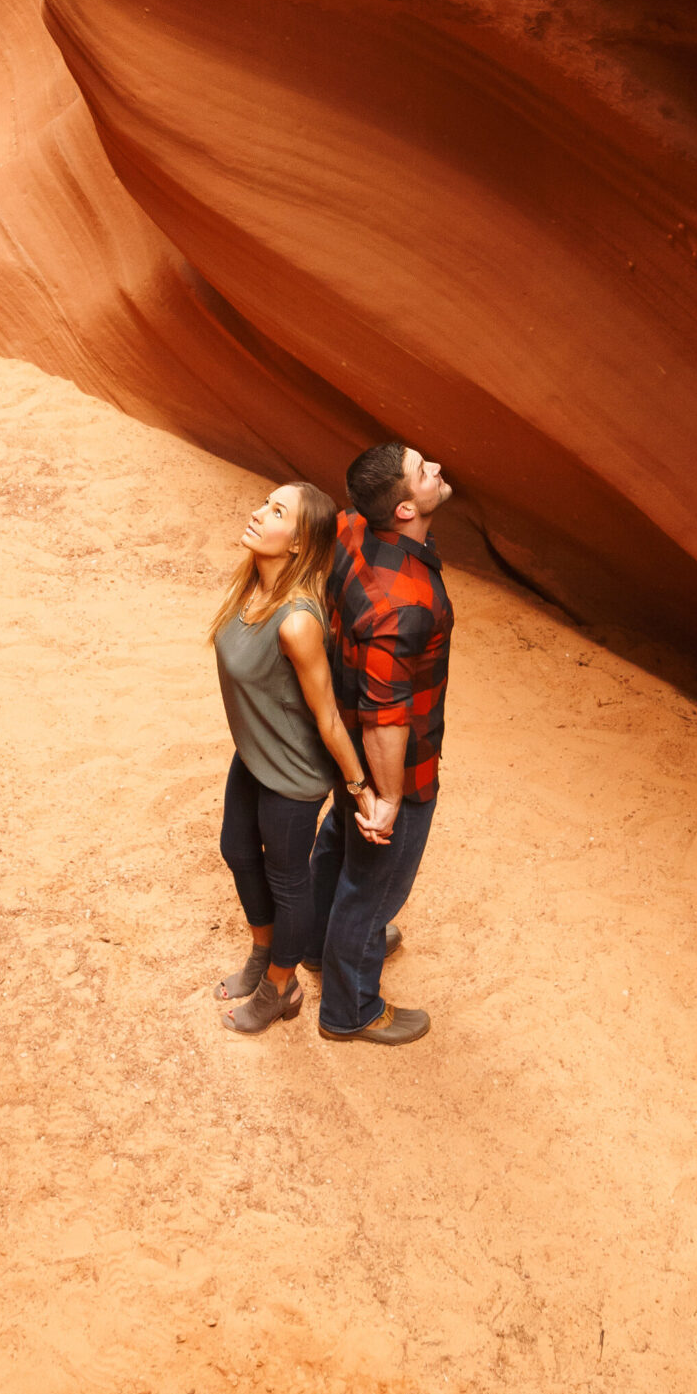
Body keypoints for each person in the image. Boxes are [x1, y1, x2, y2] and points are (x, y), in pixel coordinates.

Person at [210, 480, 385, 1034]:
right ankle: (264, 956)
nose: (258, 513)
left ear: (298, 543)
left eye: (277, 511)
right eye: (264, 501)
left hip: (292, 773)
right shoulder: (251, 586)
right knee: (237, 850)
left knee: (289, 882)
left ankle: (280, 988)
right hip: (257, 753)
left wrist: (361, 790)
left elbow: (329, 717)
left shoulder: (297, 621)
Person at [307, 441, 453, 1046]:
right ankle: (351, 1008)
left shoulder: (347, 526)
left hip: (342, 746)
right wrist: (388, 799)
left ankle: (319, 944)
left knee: (339, 846)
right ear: (403, 510)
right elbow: (386, 718)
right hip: (398, 763)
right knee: (374, 888)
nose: (437, 469)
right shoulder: (408, 603)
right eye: (424, 471)